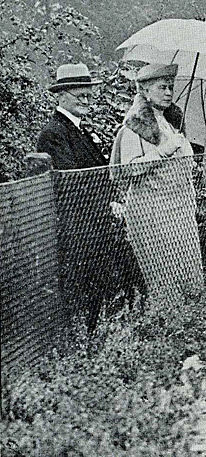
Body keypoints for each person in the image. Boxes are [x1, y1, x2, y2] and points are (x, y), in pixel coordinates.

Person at [109, 63, 204, 301]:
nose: (169, 92)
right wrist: (162, 151)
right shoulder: (135, 126)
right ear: (145, 91)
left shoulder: (170, 123)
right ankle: (167, 326)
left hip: (180, 209)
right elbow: (129, 168)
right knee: (165, 277)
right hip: (153, 213)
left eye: (171, 87)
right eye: (162, 87)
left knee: (188, 274)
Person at [36, 63, 115, 332]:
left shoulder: (79, 130)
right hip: (78, 226)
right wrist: (107, 203)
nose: (86, 98)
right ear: (60, 95)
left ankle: (93, 338)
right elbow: (73, 181)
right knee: (81, 292)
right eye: (78, 93)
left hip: (95, 224)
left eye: (88, 93)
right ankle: (81, 344)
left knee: (98, 290)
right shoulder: (54, 133)